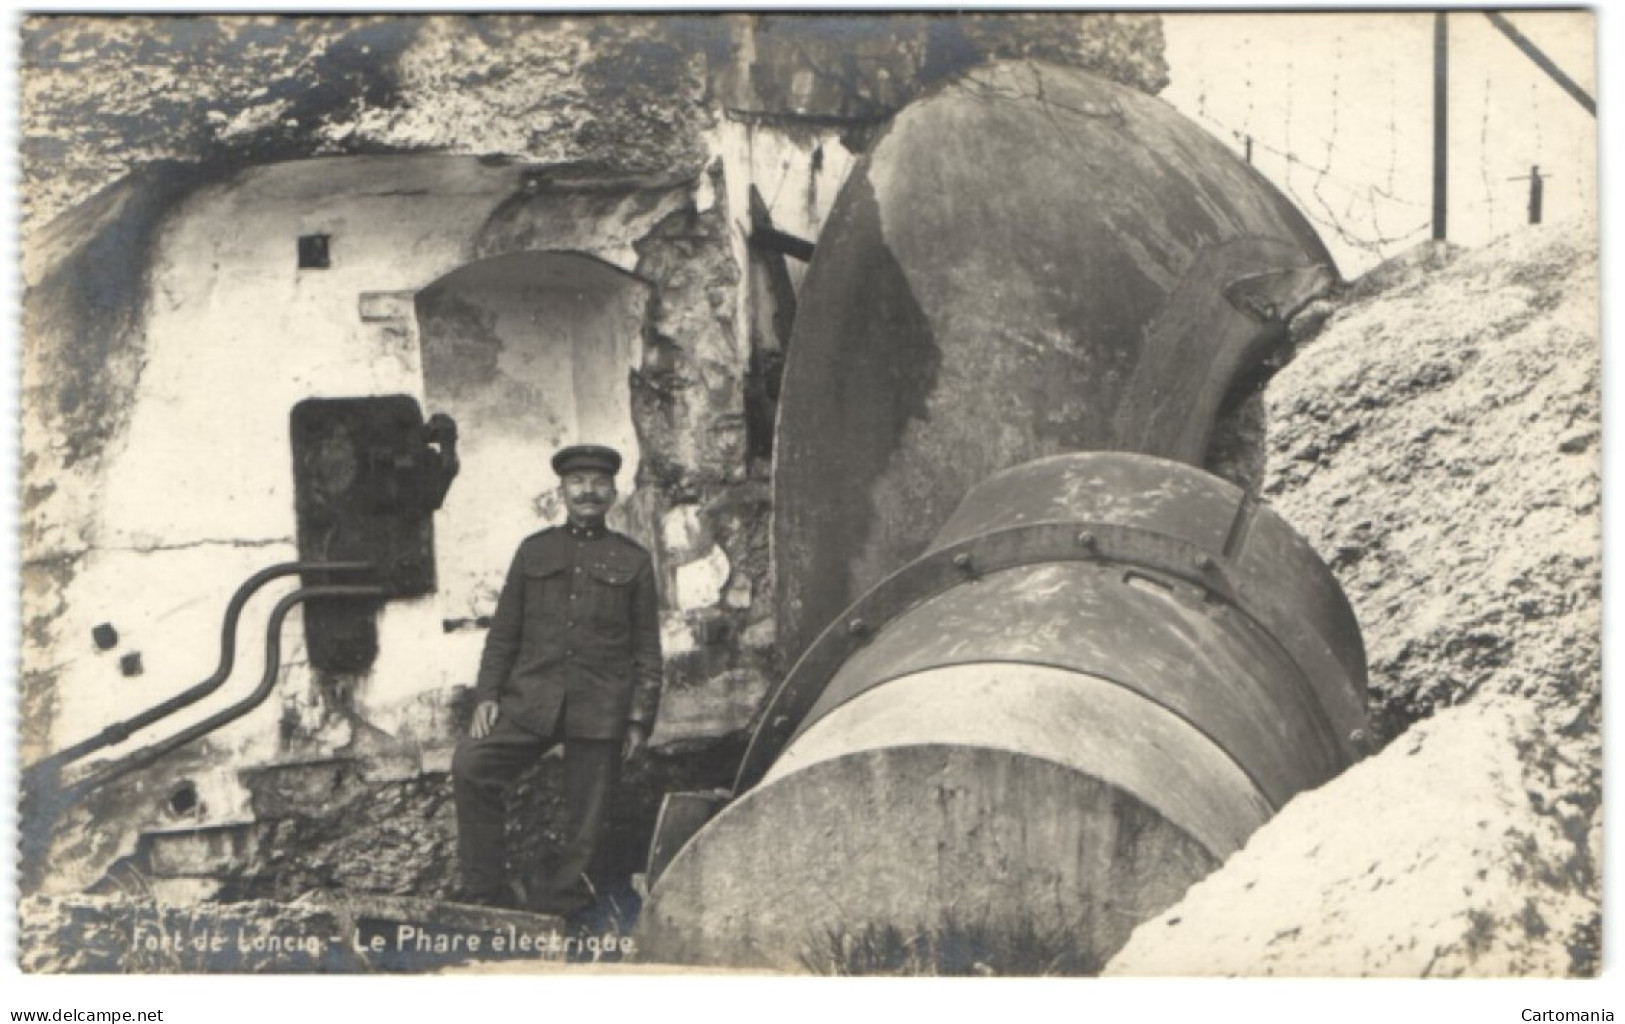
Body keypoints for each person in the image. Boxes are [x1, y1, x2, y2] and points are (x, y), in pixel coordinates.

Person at [451, 444, 662, 913]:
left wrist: (637, 720)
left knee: (588, 815)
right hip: (533, 700)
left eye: (598, 483)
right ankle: (484, 894)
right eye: (577, 482)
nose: (588, 490)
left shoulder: (633, 560)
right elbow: (504, 632)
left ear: (613, 492)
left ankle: (561, 900)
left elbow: (647, 648)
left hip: (600, 705)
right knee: (472, 766)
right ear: (561, 491)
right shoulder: (534, 551)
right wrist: (488, 696)